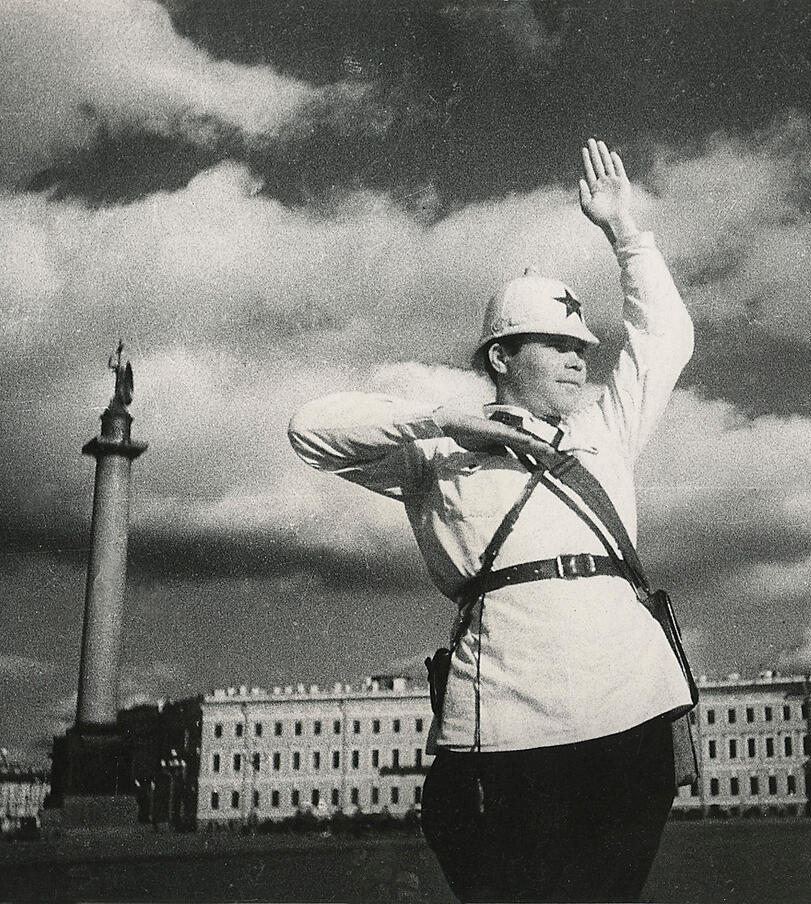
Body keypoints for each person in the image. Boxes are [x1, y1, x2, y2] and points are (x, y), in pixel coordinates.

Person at [288, 138, 694, 902]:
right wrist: (445, 420)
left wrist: (626, 233)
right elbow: (310, 430)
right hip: (510, 725)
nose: (580, 359)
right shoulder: (435, 450)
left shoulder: (605, 430)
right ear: (502, 356)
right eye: (557, 344)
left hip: (632, 712)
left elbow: (666, 339)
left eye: (583, 346)